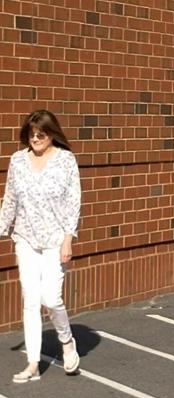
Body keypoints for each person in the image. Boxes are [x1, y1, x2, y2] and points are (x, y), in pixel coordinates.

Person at [0, 110, 81, 383]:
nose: (36, 138)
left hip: (55, 240)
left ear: (51, 134)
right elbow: (10, 199)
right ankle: (33, 362)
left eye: (41, 134)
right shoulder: (18, 161)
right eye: (32, 134)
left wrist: (69, 237)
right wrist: (2, 228)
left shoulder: (65, 161)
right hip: (25, 238)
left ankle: (66, 341)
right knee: (31, 300)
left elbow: (73, 202)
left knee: (51, 298)